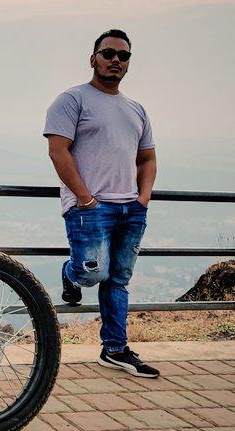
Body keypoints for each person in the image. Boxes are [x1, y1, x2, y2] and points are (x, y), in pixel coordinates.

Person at [43, 29, 159, 378]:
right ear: (93, 58)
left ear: (128, 63)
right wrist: (84, 198)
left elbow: (148, 159)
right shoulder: (72, 100)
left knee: (118, 280)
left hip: (130, 209)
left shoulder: (136, 109)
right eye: (108, 53)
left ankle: (115, 349)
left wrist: (143, 198)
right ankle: (69, 273)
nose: (115, 60)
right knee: (91, 274)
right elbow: (57, 150)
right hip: (90, 208)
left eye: (123, 56)